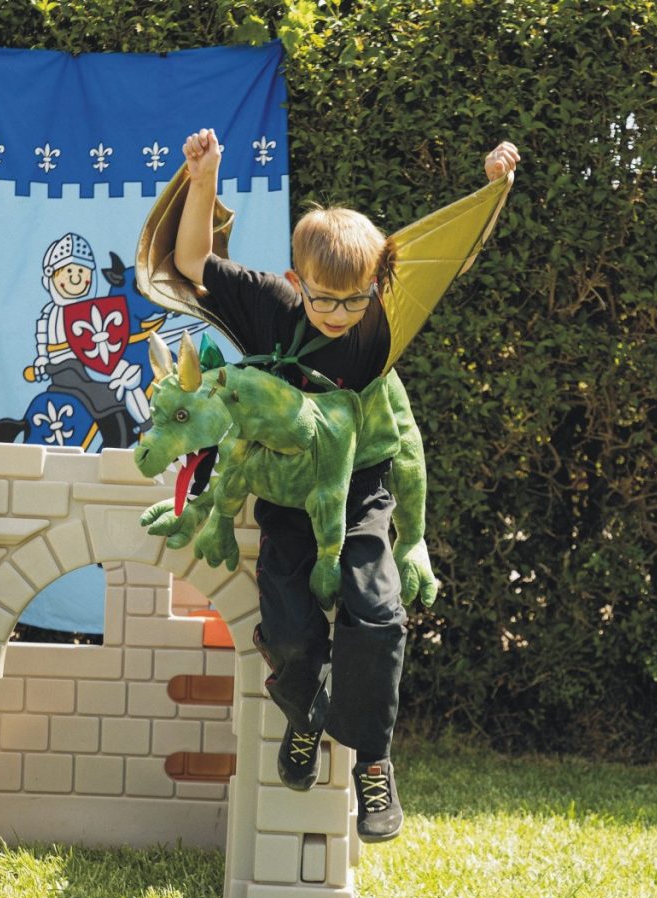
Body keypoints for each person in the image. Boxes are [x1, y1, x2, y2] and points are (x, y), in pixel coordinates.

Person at [173, 127, 520, 842]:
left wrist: (494, 191)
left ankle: (373, 759)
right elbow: (190, 262)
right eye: (325, 300)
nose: (338, 315)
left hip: (359, 490)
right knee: (291, 633)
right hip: (288, 497)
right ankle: (305, 715)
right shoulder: (270, 304)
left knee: (378, 614)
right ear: (297, 281)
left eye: (354, 301)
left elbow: (450, 254)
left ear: (376, 288)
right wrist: (203, 180)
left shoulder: (381, 321)